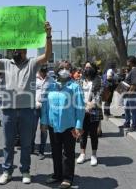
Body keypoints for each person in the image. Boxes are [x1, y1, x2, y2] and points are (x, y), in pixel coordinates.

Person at [0, 21, 52, 185]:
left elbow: (47, 56)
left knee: (27, 143)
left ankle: (25, 170)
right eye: (13, 48)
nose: (15, 50)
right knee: (8, 143)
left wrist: (48, 35)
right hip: (8, 110)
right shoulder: (5, 63)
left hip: (28, 110)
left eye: (18, 48)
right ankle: (7, 171)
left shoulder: (33, 63)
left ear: (25, 50)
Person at [41, 61, 85, 189]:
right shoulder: (51, 86)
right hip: (53, 125)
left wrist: (78, 125)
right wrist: (43, 122)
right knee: (55, 152)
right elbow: (45, 106)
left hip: (69, 126)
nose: (64, 70)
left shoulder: (75, 87)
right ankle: (57, 175)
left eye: (67, 68)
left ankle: (67, 177)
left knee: (68, 153)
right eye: (62, 68)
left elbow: (80, 107)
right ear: (56, 70)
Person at [76, 61, 103, 166]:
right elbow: (77, 94)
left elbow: (99, 95)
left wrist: (91, 104)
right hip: (82, 110)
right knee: (82, 133)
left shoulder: (98, 80)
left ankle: (93, 155)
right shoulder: (80, 80)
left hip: (94, 110)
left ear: (94, 69)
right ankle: (82, 154)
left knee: (93, 134)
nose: (87, 69)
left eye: (89, 67)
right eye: (86, 67)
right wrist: (84, 105)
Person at [31, 65, 54, 160]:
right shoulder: (33, 79)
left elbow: (53, 92)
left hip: (46, 108)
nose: (44, 73)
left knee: (44, 130)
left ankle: (42, 151)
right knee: (32, 128)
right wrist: (34, 102)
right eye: (42, 71)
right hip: (35, 107)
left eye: (45, 71)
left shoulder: (51, 80)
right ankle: (31, 147)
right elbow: (30, 92)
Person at [121, 56, 136, 132]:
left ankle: (134, 126)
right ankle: (127, 123)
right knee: (126, 109)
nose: (127, 63)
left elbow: (134, 84)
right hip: (130, 94)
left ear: (130, 62)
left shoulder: (134, 71)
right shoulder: (133, 70)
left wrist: (129, 93)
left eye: (127, 61)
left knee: (133, 111)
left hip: (133, 94)